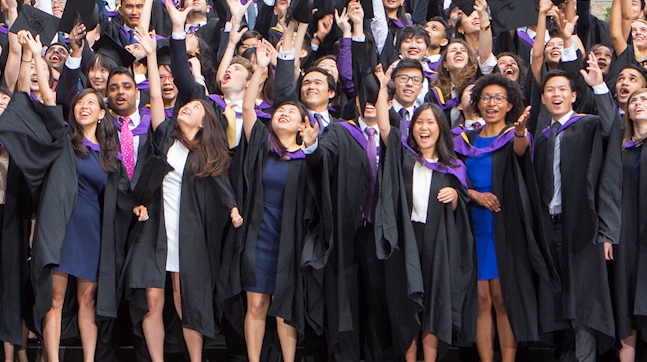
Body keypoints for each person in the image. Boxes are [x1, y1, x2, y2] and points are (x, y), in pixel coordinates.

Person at [1, 31, 149, 362]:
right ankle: (51, 358)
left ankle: (89, 358)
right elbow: (51, 102)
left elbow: (121, 195)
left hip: (93, 232)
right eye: (80, 103)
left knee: (88, 300)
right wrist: (37, 55)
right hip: (61, 228)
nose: (83, 106)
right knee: (54, 298)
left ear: (102, 114)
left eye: (91, 103)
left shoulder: (110, 157)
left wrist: (138, 205)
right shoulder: (65, 142)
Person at [453, 73, 560, 362]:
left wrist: (522, 131)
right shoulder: (464, 139)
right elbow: (451, 178)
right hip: (474, 223)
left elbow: (520, 152)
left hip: (503, 223)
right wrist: (474, 195)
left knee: (502, 297)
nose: (492, 103)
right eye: (486, 97)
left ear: (509, 103)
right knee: (481, 300)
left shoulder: (513, 135)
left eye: (499, 98)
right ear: (476, 103)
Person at [376, 63, 476, 361]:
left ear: (440, 129)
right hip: (408, 239)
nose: (424, 128)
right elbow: (384, 126)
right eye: (420, 122)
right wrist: (384, 88)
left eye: (431, 122)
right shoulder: (403, 156)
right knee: (408, 305)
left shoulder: (452, 166)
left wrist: (455, 196)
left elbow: (463, 203)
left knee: (434, 304)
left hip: (439, 241)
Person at [224, 39, 312, 362]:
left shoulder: (308, 158)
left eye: (291, 112)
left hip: (290, 240)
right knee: (257, 304)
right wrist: (260, 69)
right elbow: (248, 109)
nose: (283, 114)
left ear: (303, 125)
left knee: (284, 307)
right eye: (280, 111)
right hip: (260, 237)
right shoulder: (262, 146)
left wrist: (312, 149)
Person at [534, 70, 620, 361]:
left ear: (573, 96)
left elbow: (612, 128)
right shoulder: (544, 136)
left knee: (583, 298)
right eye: (550, 90)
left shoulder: (588, 125)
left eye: (562, 90)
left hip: (582, 225)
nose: (555, 94)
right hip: (551, 225)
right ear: (543, 98)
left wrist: (598, 86)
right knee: (558, 299)